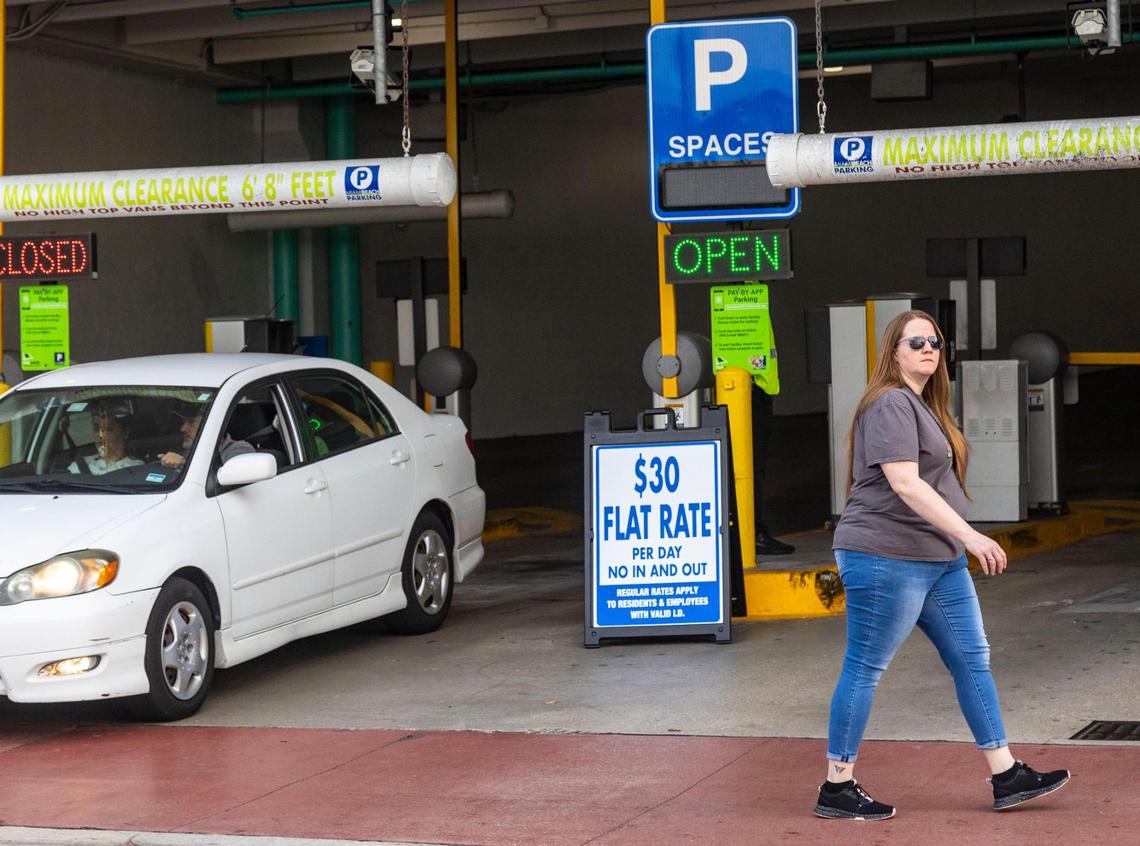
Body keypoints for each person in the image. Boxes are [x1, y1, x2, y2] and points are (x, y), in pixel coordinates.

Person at [814, 309, 1069, 821]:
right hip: (885, 555)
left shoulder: (924, 404)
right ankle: (836, 787)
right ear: (894, 351)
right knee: (865, 667)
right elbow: (906, 483)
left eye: (936, 341)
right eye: (916, 342)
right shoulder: (889, 402)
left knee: (972, 660)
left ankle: (1006, 774)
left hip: (938, 558)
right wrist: (972, 535)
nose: (929, 349)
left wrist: (956, 543)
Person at [748, 286, 795, 555]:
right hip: (751, 392)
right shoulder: (744, 299)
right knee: (752, 467)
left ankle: (754, 530)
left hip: (758, 391)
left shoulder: (754, 295)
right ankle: (754, 532)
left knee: (756, 467)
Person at [159, 407, 253, 469]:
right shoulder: (191, 448)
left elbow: (225, 482)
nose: (183, 428)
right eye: (184, 422)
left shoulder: (240, 449)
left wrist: (183, 463)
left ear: (212, 425)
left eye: (191, 422)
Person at [69, 402, 144, 475]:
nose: (100, 435)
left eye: (107, 429)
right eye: (96, 429)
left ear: (125, 432)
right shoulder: (79, 466)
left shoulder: (137, 469)